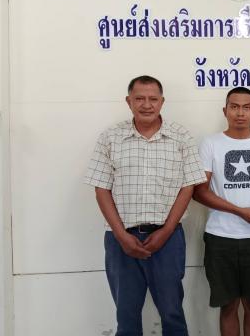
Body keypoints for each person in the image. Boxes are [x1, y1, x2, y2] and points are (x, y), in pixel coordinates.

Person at [84, 75, 206, 336]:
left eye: (153, 99)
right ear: (128, 101)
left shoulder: (181, 136)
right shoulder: (111, 137)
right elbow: (101, 189)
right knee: (126, 316)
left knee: (172, 313)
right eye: (139, 98)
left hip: (168, 238)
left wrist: (166, 230)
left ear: (162, 101)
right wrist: (121, 235)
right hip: (121, 239)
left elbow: (188, 187)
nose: (146, 105)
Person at [193, 87, 250, 336]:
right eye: (234, 107)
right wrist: (238, 211)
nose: (240, 113)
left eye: (246, 107)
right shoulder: (210, 143)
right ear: (225, 110)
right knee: (228, 306)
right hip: (220, 237)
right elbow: (199, 191)